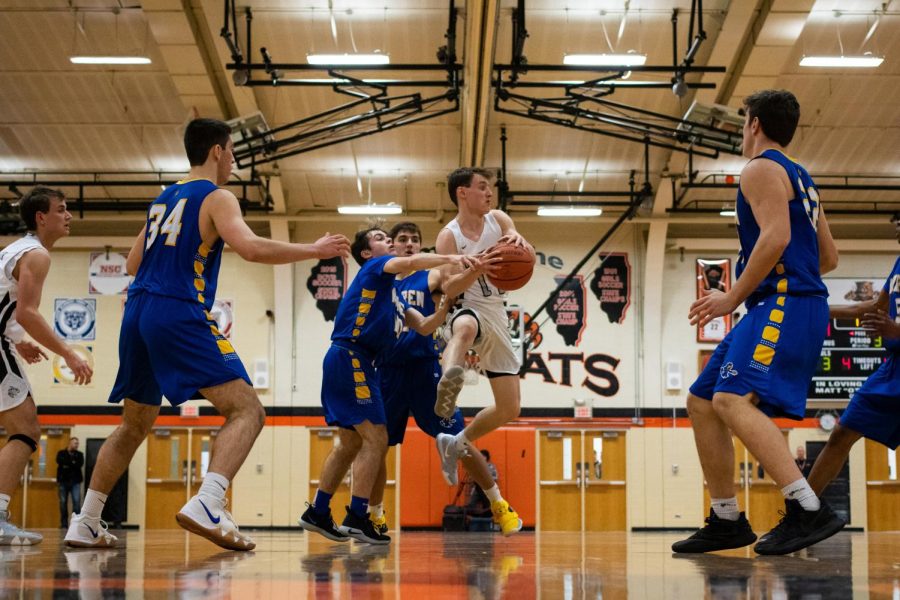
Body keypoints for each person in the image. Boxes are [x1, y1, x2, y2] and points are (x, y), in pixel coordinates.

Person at [64, 118, 350, 551]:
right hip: (177, 309)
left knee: (134, 423)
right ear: (217, 151)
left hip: (137, 310)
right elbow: (251, 248)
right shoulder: (217, 196)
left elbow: (130, 264)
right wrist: (313, 250)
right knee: (248, 411)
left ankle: (85, 520)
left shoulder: (163, 198)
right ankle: (209, 500)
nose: (233, 160)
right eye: (232, 151)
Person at [673, 89, 843, 556]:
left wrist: (732, 295)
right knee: (703, 400)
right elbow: (828, 257)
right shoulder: (802, 178)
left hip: (782, 302)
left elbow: (776, 237)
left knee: (730, 399)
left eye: (744, 118)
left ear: (753, 124)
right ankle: (727, 518)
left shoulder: (759, 168)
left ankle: (808, 508)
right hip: (786, 301)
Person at [298, 226, 475, 545]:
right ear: (366, 253)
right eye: (382, 239)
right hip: (352, 355)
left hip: (356, 361)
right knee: (377, 439)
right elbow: (409, 264)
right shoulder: (374, 267)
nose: (390, 242)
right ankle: (357, 515)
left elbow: (422, 326)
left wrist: (446, 304)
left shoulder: (390, 294)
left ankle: (319, 511)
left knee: (352, 443)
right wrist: (450, 256)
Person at [366, 222, 519, 536]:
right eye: (403, 239)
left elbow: (444, 277)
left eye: (415, 239)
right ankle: (375, 515)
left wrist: (456, 261)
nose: (410, 244)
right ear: (392, 246)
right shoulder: (382, 281)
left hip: (424, 368)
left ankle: (499, 504)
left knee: (459, 440)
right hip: (387, 370)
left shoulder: (430, 274)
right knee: (378, 446)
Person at [431, 167, 529, 536]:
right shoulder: (448, 237)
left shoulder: (499, 219)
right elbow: (449, 285)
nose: (490, 193)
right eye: (483, 187)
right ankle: (448, 382)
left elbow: (524, 252)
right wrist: (478, 268)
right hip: (465, 305)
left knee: (510, 408)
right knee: (465, 327)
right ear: (462, 193)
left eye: (490, 188)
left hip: (498, 313)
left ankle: (458, 442)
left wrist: (519, 240)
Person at [0, 186, 93, 546]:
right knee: (25, 429)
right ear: (41, 217)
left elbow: (10, 307)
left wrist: (18, 339)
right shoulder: (36, 254)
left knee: (22, 428)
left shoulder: (17, 248)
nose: (68, 215)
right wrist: (68, 353)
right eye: (62, 209)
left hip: (3, 340)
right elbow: (27, 311)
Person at [805, 212, 900, 496]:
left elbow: (891, 325)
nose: (897, 231)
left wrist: (895, 330)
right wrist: (811, 309)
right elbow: (871, 308)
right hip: (892, 370)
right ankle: (801, 514)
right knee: (841, 434)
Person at [57, 437, 84, 528]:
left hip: (75, 482)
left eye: (77, 443)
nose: (77, 445)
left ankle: (75, 524)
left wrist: (67, 465)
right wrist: (72, 463)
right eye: (75, 443)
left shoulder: (79, 455)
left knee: (76, 503)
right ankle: (64, 524)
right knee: (63, 503)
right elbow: (60, 461)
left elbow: (79, 465)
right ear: (70, 443)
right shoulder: (61, 453)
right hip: (63, 482)